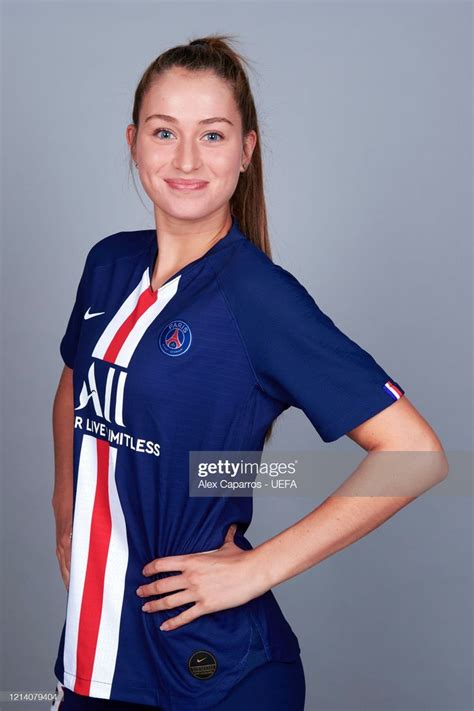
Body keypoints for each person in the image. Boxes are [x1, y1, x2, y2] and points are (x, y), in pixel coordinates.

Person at [50, 34, 446, 711]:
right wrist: (67, 507)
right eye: (164, 131)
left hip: (216, 672)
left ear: (245, 151)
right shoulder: (109, 265)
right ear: (133, 141)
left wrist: (257, 570)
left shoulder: (257, 297)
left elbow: (415, 454)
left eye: (212, 135)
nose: (184, 158)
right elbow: (75, 383)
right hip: (95, 659)